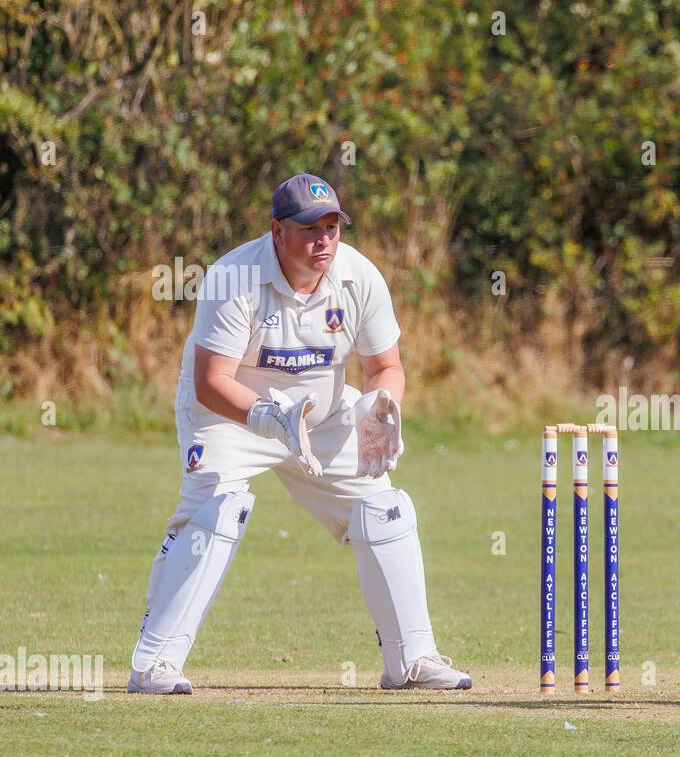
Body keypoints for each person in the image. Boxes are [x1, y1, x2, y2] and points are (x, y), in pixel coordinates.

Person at [128, 173, 470, 694]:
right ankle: (154, 664)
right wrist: (268, 417)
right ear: (276, 231)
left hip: (326, 420)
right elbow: (210, 382)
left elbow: (386, 365)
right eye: (311, 229)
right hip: (231, 415)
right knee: (217, 509)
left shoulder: (359, 277)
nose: (324, 240)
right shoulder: (232, 278)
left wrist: (382, 409)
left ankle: (412, 660)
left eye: (332, 227)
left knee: (386, 509)